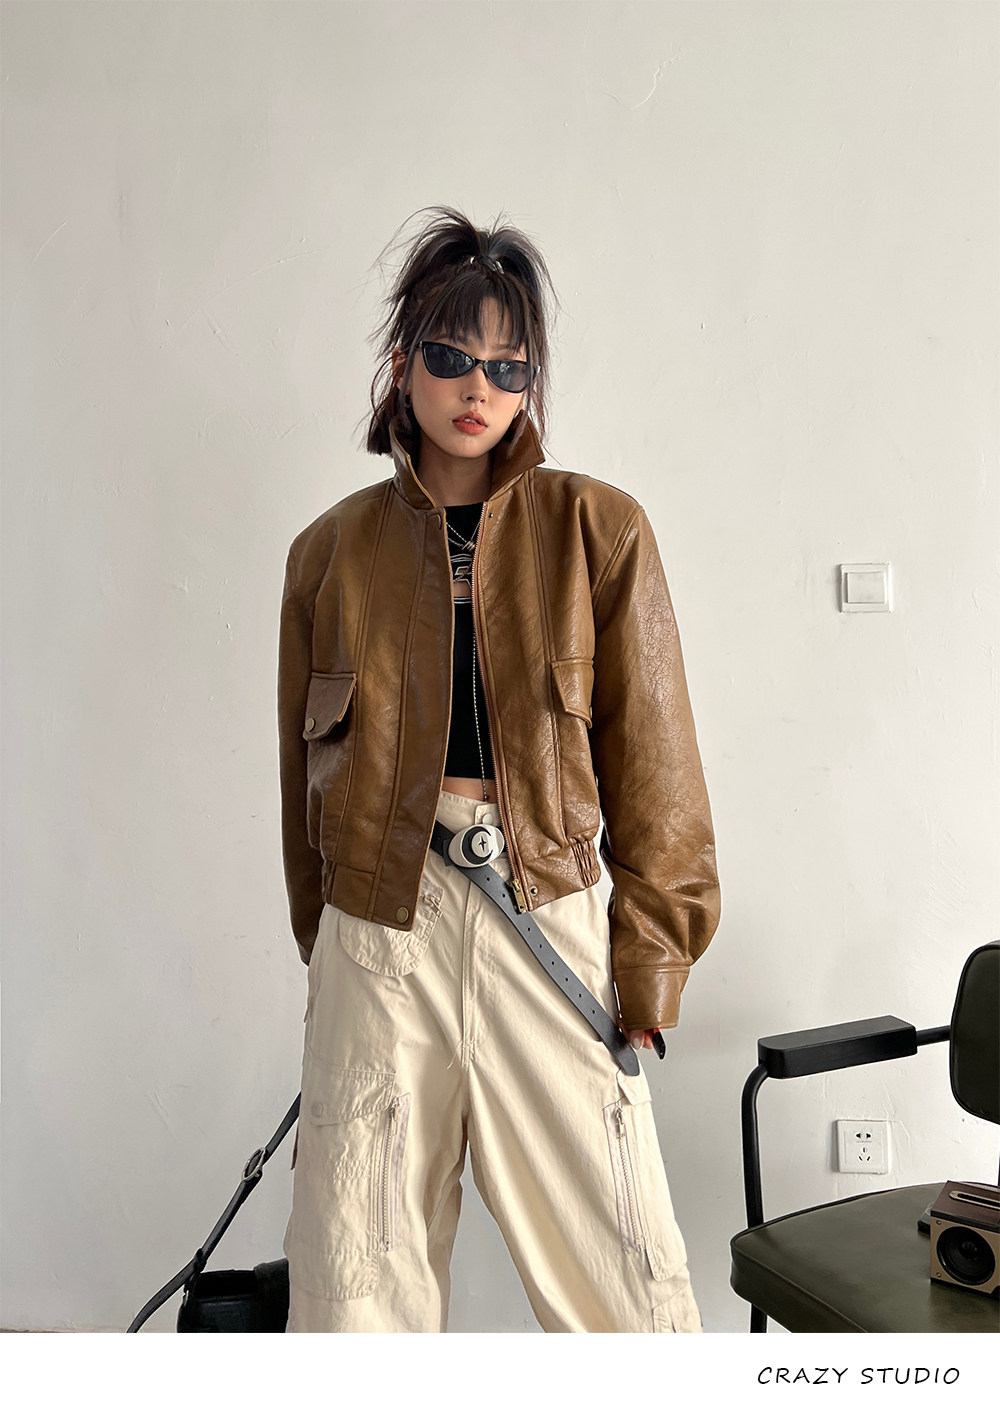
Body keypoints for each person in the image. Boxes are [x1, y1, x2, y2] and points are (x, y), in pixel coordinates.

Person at [278, 206, 721, 1332]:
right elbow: (302, 788)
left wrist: (652, 966)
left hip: (546, 912)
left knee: (624, 1286)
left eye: (508, 366)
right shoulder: (329, 553)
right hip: (381, 932)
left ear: (529, 386)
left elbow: (659, 770)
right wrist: (331, 953)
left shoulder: (599, 530)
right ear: (402, 364)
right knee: (357, 1280)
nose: (478, 386)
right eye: (451, 355)